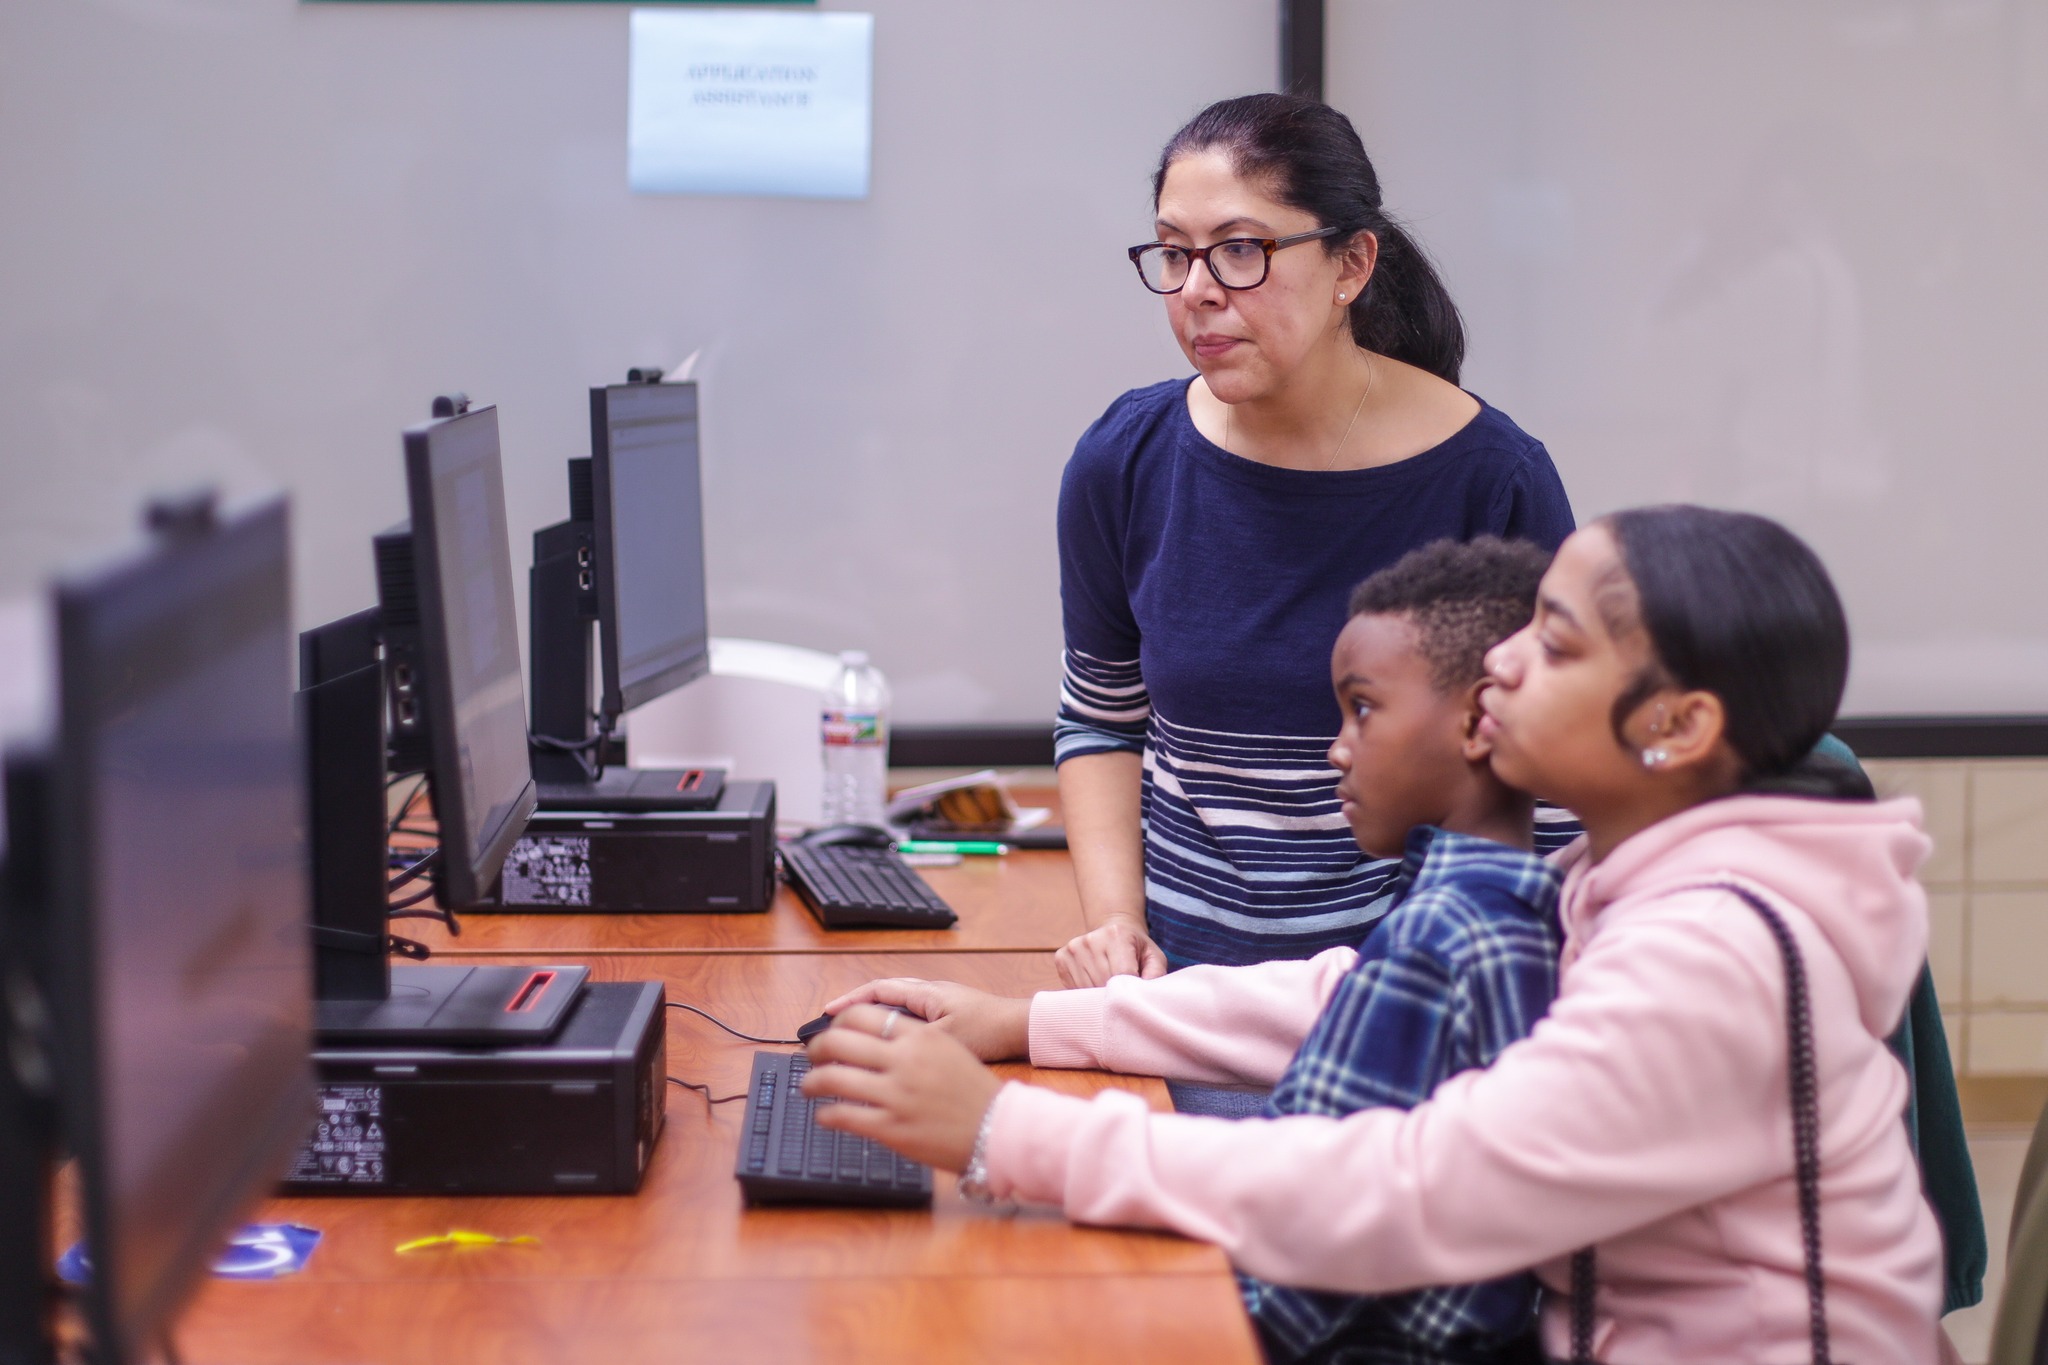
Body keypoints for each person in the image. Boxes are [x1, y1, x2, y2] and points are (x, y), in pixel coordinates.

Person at [806, 506, 1942, 1363]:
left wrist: (1012, 1136)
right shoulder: (1625, 880)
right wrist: (1032, 1022)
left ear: (1677, 726)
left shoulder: (1710, 957)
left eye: (1551, 643)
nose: (1498, 660)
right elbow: (1334, 993)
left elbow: (1423, 1187)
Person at [1053, 92, 1574, 989]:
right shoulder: (1124, 459)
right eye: (1174, 253)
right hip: (1173, 994)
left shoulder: (1493, 476)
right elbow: (1100, 718)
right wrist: (1116, 928)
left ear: (1351, 264)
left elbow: (1555, 788)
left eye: (1242, 249)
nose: (1198, 289)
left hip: (1408, 1000)